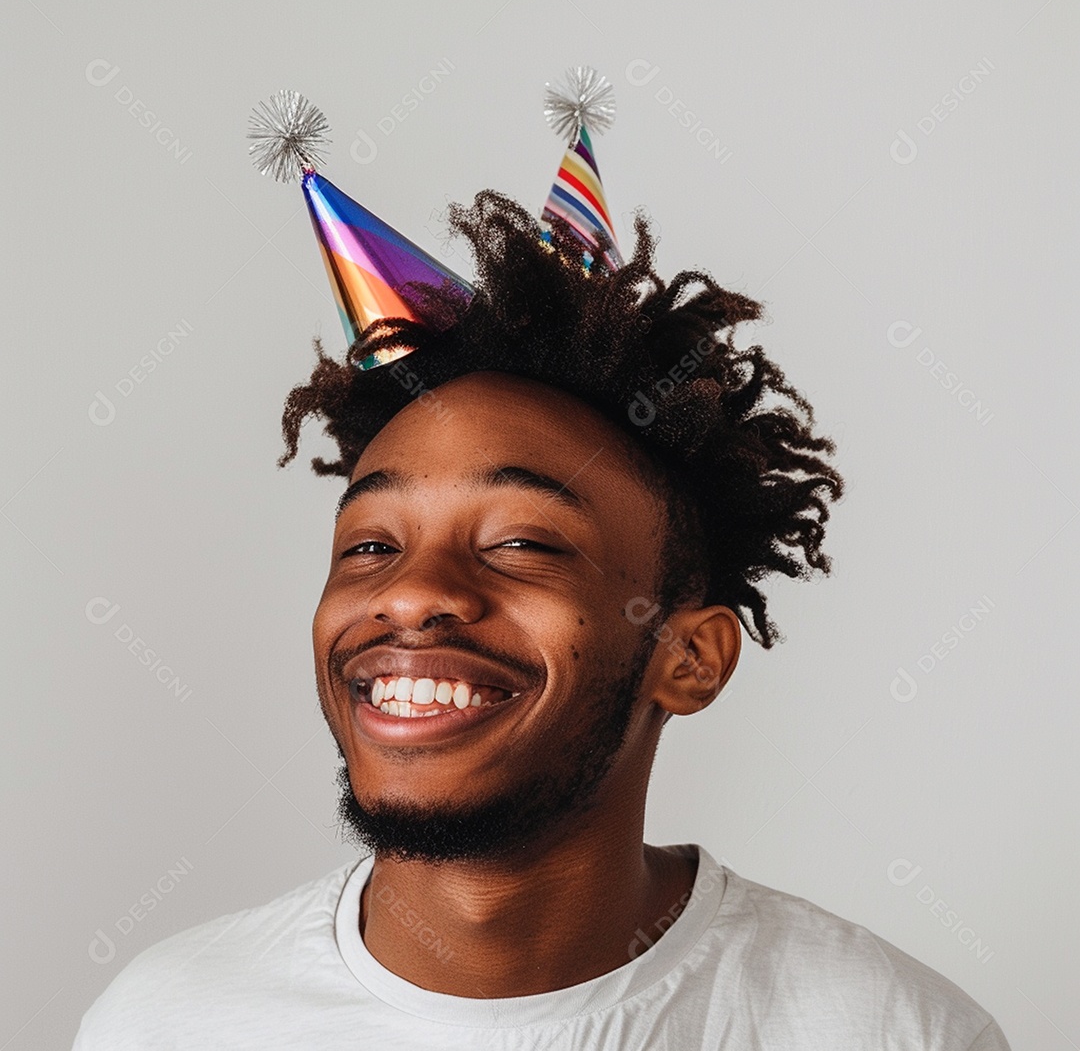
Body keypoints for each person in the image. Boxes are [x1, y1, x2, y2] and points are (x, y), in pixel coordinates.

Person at [72, 187, 1012, 1049]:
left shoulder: (883, 1029)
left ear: (690, 656)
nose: (410, 593)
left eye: (523, 543)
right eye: (369, 546)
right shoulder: (165, 1022)